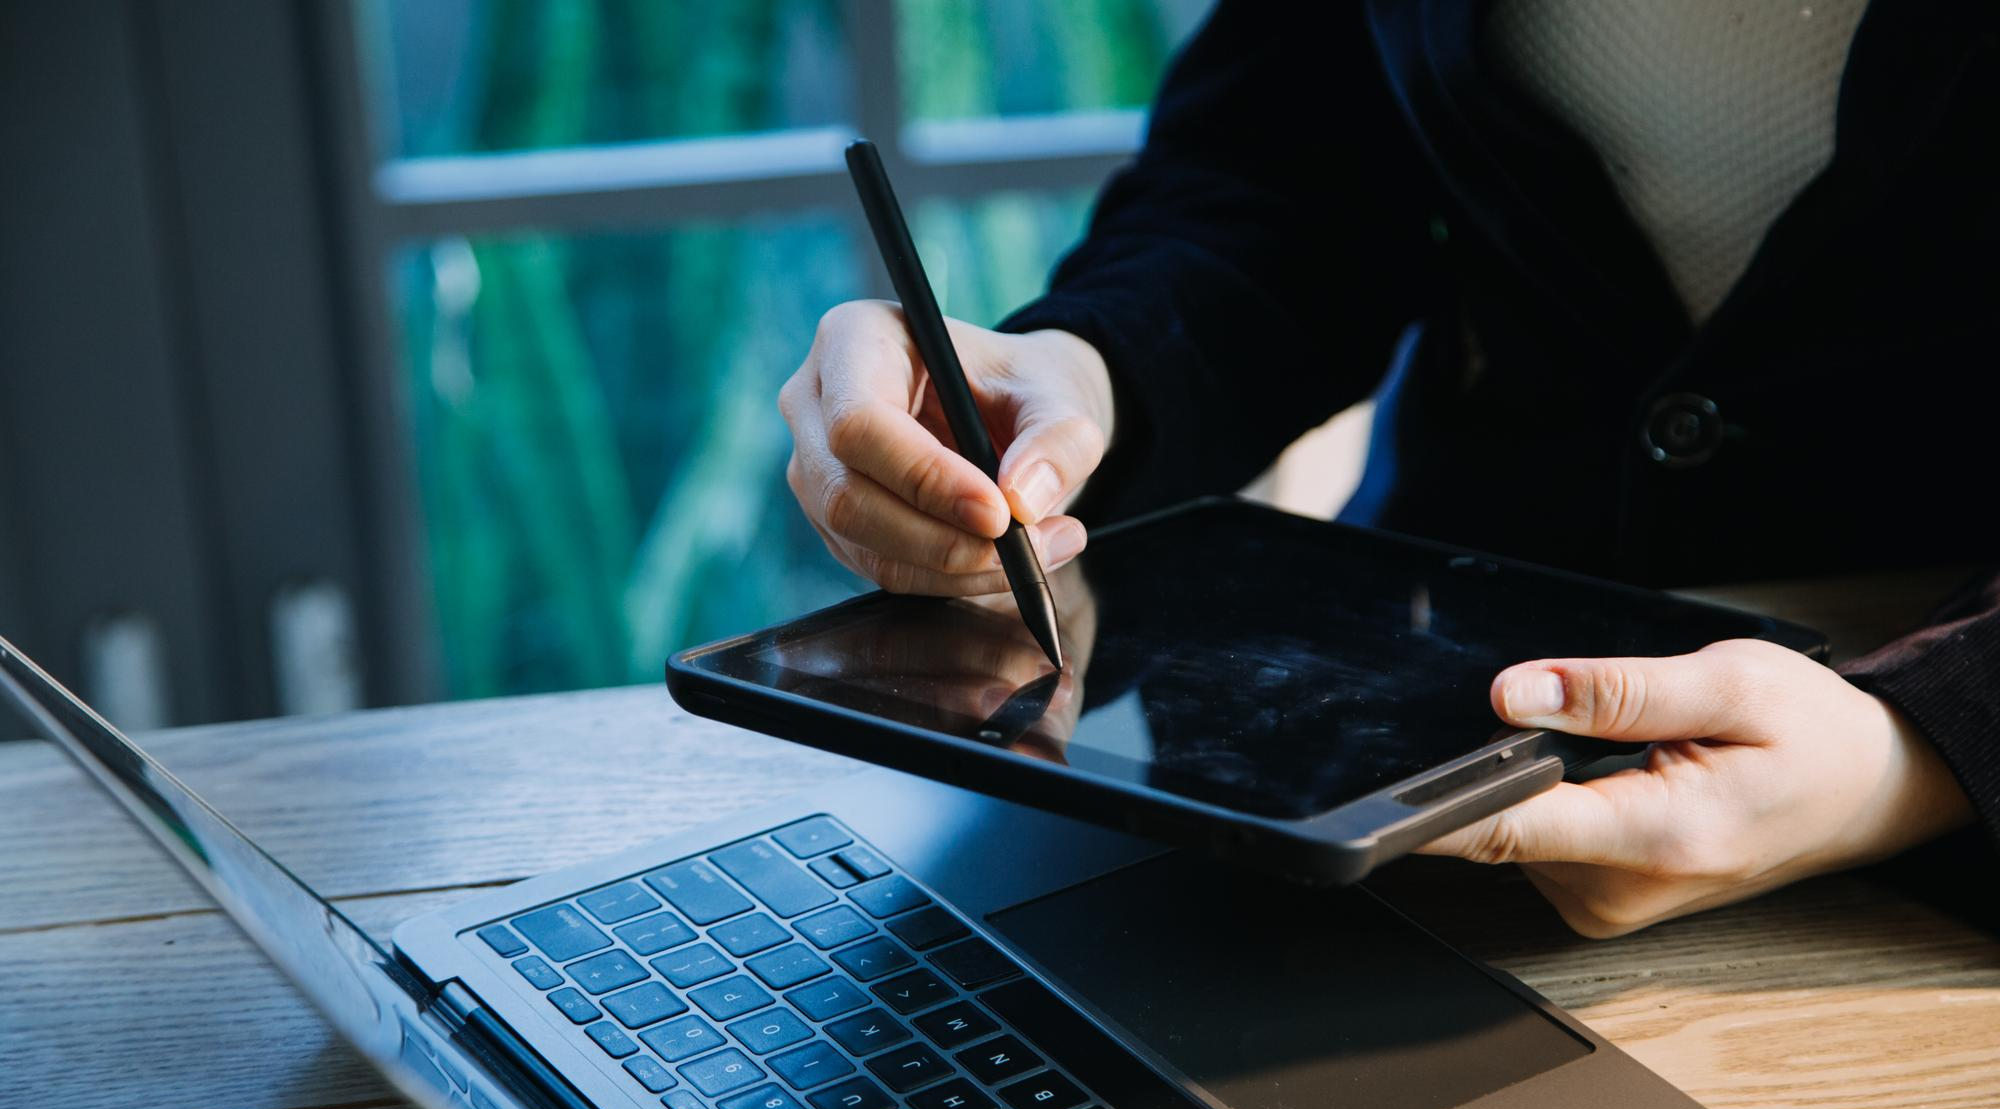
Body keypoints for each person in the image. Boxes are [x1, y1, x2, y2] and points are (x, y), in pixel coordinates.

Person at [777, 2, 1999, 935]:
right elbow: (1287, 175)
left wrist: (1920, 750)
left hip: (1918, 826)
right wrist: (1086, 367)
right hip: (1408, 714)